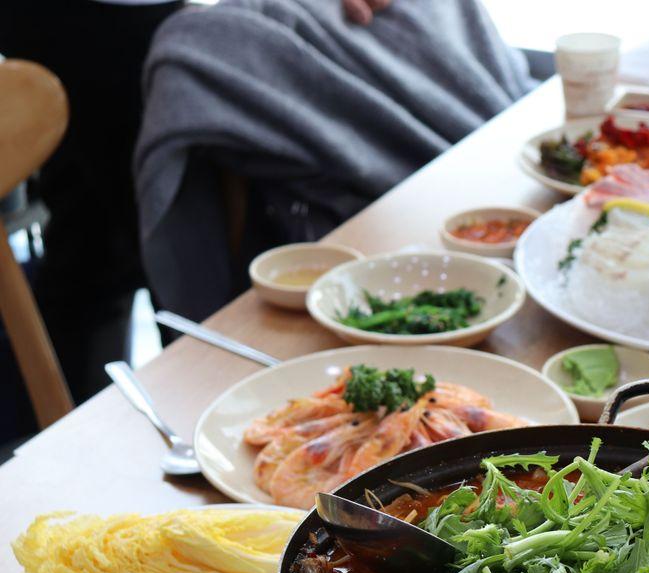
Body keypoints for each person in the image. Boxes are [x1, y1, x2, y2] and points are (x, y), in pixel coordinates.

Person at [0, 0, 393, 409]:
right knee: (147, 245)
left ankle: (154, 415)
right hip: (92, 19)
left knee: (98, 244)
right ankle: (174, 415)